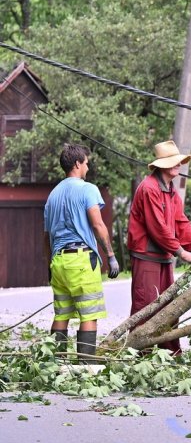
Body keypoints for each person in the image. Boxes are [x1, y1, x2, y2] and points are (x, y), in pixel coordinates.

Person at [126, 140, 191, 355]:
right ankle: (142, 354)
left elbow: (181, 221)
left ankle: (169, 353)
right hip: (146, 255)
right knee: (146, 307)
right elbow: (157, 228)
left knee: (169, 306)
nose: (178, 165)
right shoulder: (149, 188)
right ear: (161, 165)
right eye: (173, 162)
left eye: (178, 162)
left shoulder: (170, 189)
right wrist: (181, 252)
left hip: (163, 255)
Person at [43, 144, 119, 361]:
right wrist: (111, 256)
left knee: (62, 314)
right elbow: (97, 225)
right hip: (81, 260)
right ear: (77, 163)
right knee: (90, 313)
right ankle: (85, 365)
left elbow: (45, 237)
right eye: (86, 162)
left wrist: (49, 265)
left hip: (58, 262)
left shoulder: (52, 196)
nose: (87, 166)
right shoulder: (87, 189)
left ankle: (56, 364)